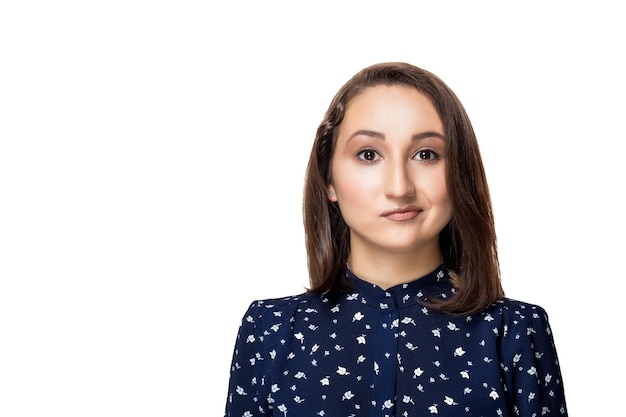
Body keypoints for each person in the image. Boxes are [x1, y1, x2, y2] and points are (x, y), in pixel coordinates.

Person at [223, 62, 568, 417]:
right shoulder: (271, 330)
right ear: (329, 179)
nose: (400, 187)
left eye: (426, 155)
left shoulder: (513, 332)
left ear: (459, 170)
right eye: (369, 155)